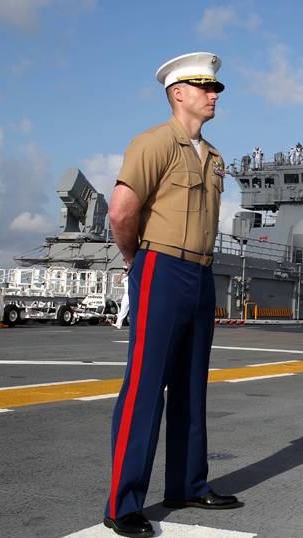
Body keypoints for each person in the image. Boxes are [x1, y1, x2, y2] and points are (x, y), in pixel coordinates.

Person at [105, 52, 240, 537]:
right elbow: (122, 212)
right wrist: (134, 261)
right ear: (178, 93)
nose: (214, 94)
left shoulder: (215, 156)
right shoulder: (153, 144)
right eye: (205, 87)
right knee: (145, 386)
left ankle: (186, 483)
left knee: (190, 385)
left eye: (216, 88)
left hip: (201, 274)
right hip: (160, 266)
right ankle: (123, 504)